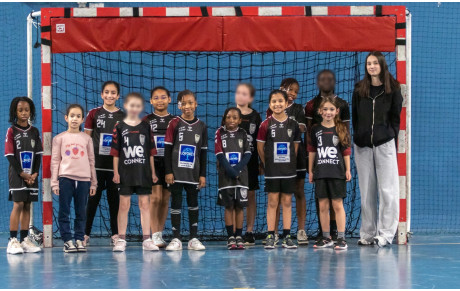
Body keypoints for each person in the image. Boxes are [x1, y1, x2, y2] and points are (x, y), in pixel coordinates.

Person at [352, 51, 403, 247]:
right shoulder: (359, 90)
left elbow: (395, 118)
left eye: (375, 63)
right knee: (367, 192)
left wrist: (387, 135)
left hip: (385, 145)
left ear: (382, 65)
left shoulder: (393, 89)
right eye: (368, 63)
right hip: (363, 146)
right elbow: (356, 118)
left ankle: (386, 234)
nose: (371, 66)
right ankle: (367, 233)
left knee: (387, 190)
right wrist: (360, 137)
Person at [305, 70, 350, 241]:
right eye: (325, 109)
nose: (328, 112)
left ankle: (341, 237)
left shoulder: (340, 129)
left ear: (337, 111)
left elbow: (345, 149)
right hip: (321, 171)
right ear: (320, 111)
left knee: (337, 204)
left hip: (337, 172)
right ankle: (325, 237)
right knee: (323, 204)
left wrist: (347, 169)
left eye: (331, 109)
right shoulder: (315, 130)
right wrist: (311, 170)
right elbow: (311, 150)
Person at [110, 93, 159, 252]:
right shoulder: (119, 126)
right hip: (125, 173)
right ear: (126, 106)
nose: (134, 108)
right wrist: (116, 172)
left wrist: (153, 172)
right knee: (124, 205)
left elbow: (151, 152)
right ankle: (121, 239)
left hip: (143, 172)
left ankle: (147, 239)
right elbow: (116, 153)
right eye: (132, 105)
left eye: (138, 105)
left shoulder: (146, 126)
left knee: (144, 204)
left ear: (141, 108)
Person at [164, 90, 207, 251]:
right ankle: (176, 238)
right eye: (183, 103)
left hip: (193, 174)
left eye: (190, 103)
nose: (187, 106)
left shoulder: (201, 126)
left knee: (193, 203)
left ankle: (193, 238)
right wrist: (168, 171)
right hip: (176, 173)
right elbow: (167, 150)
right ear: (179, 106)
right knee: (176, 202)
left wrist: (202, 174)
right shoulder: (174, 123)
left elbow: (202, 152)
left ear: (196, 104)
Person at [266, 78, 308, 245]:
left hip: (296, 156)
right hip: (276, 161)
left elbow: (302, 128)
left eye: (295, 91)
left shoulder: (298, 109)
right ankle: (274, 232)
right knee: (275, 196)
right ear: (281, 88)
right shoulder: (273, 108)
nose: (292, 93)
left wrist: (289, 124)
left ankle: (301, 230)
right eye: (289, 89)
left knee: (297, 191)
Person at [51, 104, 97, 253]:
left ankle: (79, 239)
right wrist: (54, 182)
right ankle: (67, 240)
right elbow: (55, 161)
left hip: (84, 180)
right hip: (65, 179)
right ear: (66, 118)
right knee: (64, 211)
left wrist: (93, 183)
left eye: (78, 116)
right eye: (72, 116)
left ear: (83, 119)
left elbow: (91, 161)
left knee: (81, 212)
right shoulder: (59, 139)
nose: (75, 119)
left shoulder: (86, 139)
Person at [257, 89, 300, 249]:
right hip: (272, 170)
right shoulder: (265, 124)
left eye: (280, 101)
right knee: (273, 201)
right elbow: (260, 147)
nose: (277, 104)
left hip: (288, 170)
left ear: (287, 103)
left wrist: (288, 163)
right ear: (270, 104)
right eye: (274, 101)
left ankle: (287, 236)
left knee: (287, 201)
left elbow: (295, 148)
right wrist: (267, 163)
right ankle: (270, 235)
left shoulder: (293, 124)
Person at [84, 81, 124, 247]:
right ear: (101, 94)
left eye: (113, 92)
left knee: (114, 202)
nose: (109, 95)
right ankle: (85, 234)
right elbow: (86, 139)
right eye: (106, 92)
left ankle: (115, 235)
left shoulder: (124, 116)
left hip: (115, 167)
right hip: (96, 166)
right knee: (92, 201)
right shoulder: (94, 113)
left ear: (118, 96)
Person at [5, 97, 42, 254]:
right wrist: (22, 174)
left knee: (27, 205)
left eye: (27, 110)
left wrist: (34, 173)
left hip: (31, 175)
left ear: (31, 111)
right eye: (20, 110)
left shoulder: (34, 131)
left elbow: (38, 155)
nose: (24, 113)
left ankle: (24, 239)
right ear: (15, 112)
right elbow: (9, 155)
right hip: (17, 174)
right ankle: (12, 241)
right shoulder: (12, 131)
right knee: (18, 204)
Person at [215, 107, 251, 250]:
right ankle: (230, 236)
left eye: (235, 117)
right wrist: (230, 170)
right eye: (229, 117)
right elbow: (219, 154)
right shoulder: (219, 132)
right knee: (229, 206)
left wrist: (237, 169)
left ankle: (239, 236)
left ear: (240, 120)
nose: (231, 120)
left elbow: (248, 154)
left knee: (240, 207)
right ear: (224, 118)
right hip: (226, 177)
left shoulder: (243, 133)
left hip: (241, 176)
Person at [143, 86, 174, 248]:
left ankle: (159, 234)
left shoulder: (175, 120)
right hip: (152, 164)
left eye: (163, 97)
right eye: (156, 98)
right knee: (155, 198)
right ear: (151, 101)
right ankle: (153, 234)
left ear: (169, 99)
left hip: (169, 164)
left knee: (165, 199)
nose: (160, 100)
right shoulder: (146, 120)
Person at [234, 83, 261, 246]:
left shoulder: (255, 116)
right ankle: (235, 232)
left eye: (245, 94)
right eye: (238, 93)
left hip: (250, 162)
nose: (241, 96)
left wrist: (261, 162)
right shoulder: (230, 115)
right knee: (234, 196)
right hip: (232, 162)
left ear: (250, 98)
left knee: (250, 195)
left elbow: (260, 142)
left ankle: (249, 231)